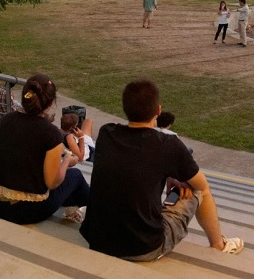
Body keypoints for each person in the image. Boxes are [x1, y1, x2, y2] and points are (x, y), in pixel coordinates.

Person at [80, 80, 244, 259]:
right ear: (158, 111)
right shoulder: (167, 144)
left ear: (125, 108)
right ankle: (219, 245)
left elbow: (134, 163)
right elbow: (200, 183)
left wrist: (168, 176)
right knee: (198, 189)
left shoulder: (107, 133)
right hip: (142, 247)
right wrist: (176, 177)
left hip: (97, 240)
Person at [0, 74, 89, 225]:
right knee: (76, 175)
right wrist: (66, 161)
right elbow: (52, 183)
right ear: (51, 103)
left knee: (67, 188)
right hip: (25, 212)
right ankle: (98, 211)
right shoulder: (50, 133)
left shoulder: (4, 121)